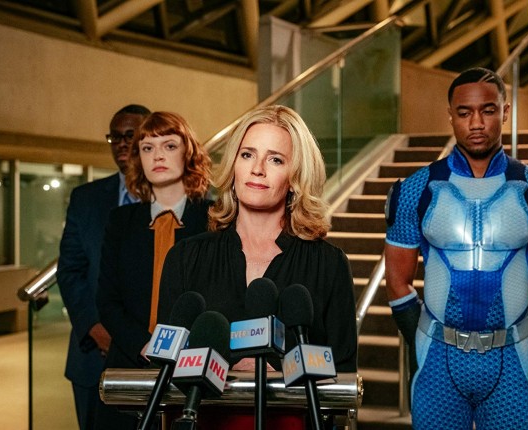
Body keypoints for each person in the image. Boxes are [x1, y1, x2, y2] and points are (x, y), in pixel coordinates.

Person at [384, 67, 528, 429]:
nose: (476, 123)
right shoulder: (415, 189)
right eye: (464, 112)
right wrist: (426, 341)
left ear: (505, 111)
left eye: (488, 111)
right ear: (450, 115)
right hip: (437, 358)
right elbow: (397, 282)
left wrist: (521, 340)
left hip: (511, 359)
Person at [157, 105, 357, 427]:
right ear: (233, 165)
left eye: (275, 159)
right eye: (247, 155)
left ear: (296, 178)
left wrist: (278, 372)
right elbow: (165, 368)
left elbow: (343, 373)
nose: (258, 169)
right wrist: (227, 370)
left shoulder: (329, 264)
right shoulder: (185, 258)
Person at [94, 111, 212, 429]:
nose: (157, 155)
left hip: (194, 370)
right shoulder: (120, 222)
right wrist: (143, 345)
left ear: (188, 153)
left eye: (169, 146)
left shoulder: (216, 219)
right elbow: (107, 301)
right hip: (129, 364)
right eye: (147, 148)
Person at [57, 104, 150, 430]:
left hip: (153, 355)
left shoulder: (173, 199)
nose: (122, 143)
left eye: (130, 135)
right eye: (115, 137)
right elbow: (70, 271)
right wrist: (95, 328)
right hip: (92, 358)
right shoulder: (86, 198)